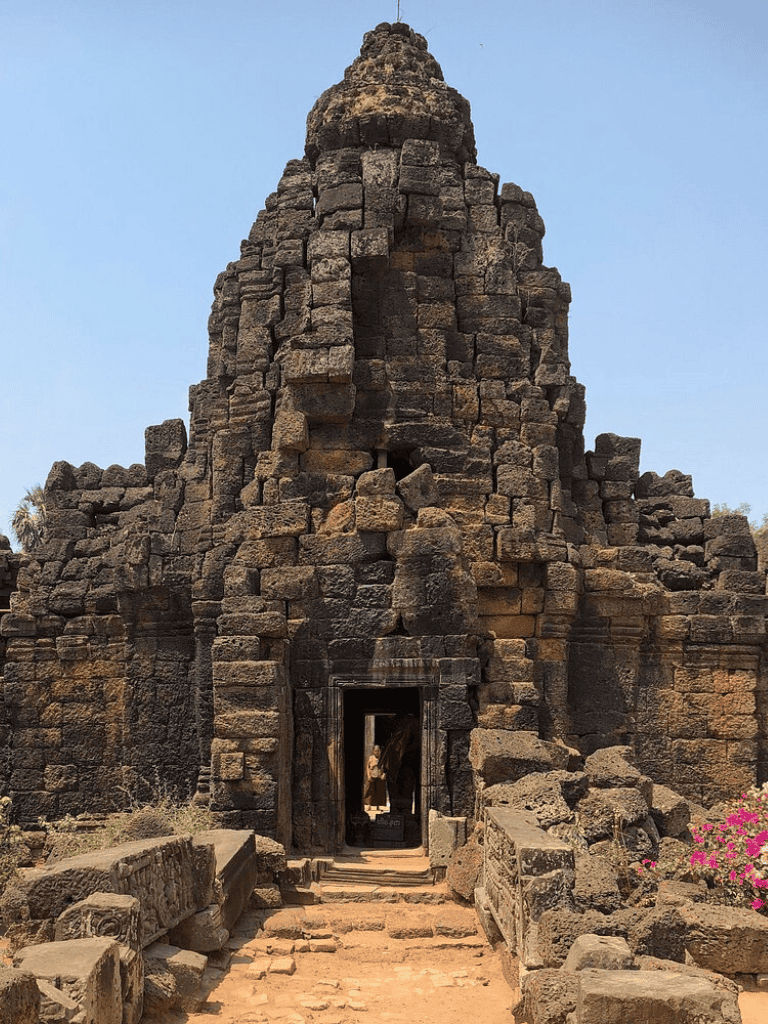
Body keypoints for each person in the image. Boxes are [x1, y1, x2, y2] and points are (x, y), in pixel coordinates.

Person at [364, 744, 387, 811]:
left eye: (378, 751)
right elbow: (367, 767)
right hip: (372, 776)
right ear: (373, 751)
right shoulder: (371, 758)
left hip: (379, 777)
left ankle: (378, 806)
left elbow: (385, 767)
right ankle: (369, 806)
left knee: (379, 792)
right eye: (375, 751)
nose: (376, 752)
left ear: (380, 751)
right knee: (370, 791)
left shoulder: (382, 758)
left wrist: (383, 774)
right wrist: (368, 775)